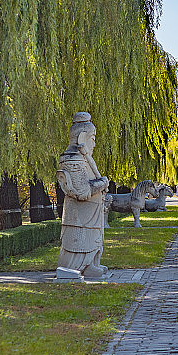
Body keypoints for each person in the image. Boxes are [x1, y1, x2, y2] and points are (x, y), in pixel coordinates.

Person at [56, 112, 110, 278]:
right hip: (80, 216)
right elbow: (82, 192)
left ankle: (91, 264)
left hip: (90, 214)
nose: (94, 144)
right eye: (92, 139)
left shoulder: (83, 159)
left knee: (93, 239)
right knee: (80, 241)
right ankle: (79, 265)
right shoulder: (72, 159)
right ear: (83, 138)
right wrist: (103, 183)